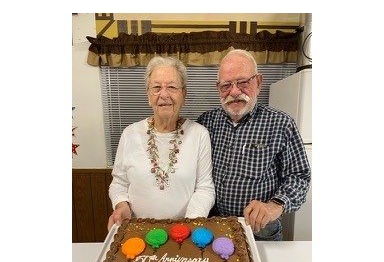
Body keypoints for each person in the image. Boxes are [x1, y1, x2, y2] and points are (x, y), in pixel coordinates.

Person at [197, 49, 311, 241]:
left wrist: (274, 206)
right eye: (226, 85)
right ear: (219, 88)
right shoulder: (205, 123)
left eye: (243, 82)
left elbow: (299, 176)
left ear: (258, 82)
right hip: (213, 227)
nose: (234, 92)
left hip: (261, 231)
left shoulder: (281, 124)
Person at [107, 56, 215, 230]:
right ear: (149, 95)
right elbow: (119, 183)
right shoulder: (129, 134)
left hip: (183, 231)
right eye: (156, 88)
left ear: (184, 95)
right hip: (137, 229)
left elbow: (205, 187)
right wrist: (121, 204)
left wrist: (189, 225)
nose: (164, 94)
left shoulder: (199, 134)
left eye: (172, 87)